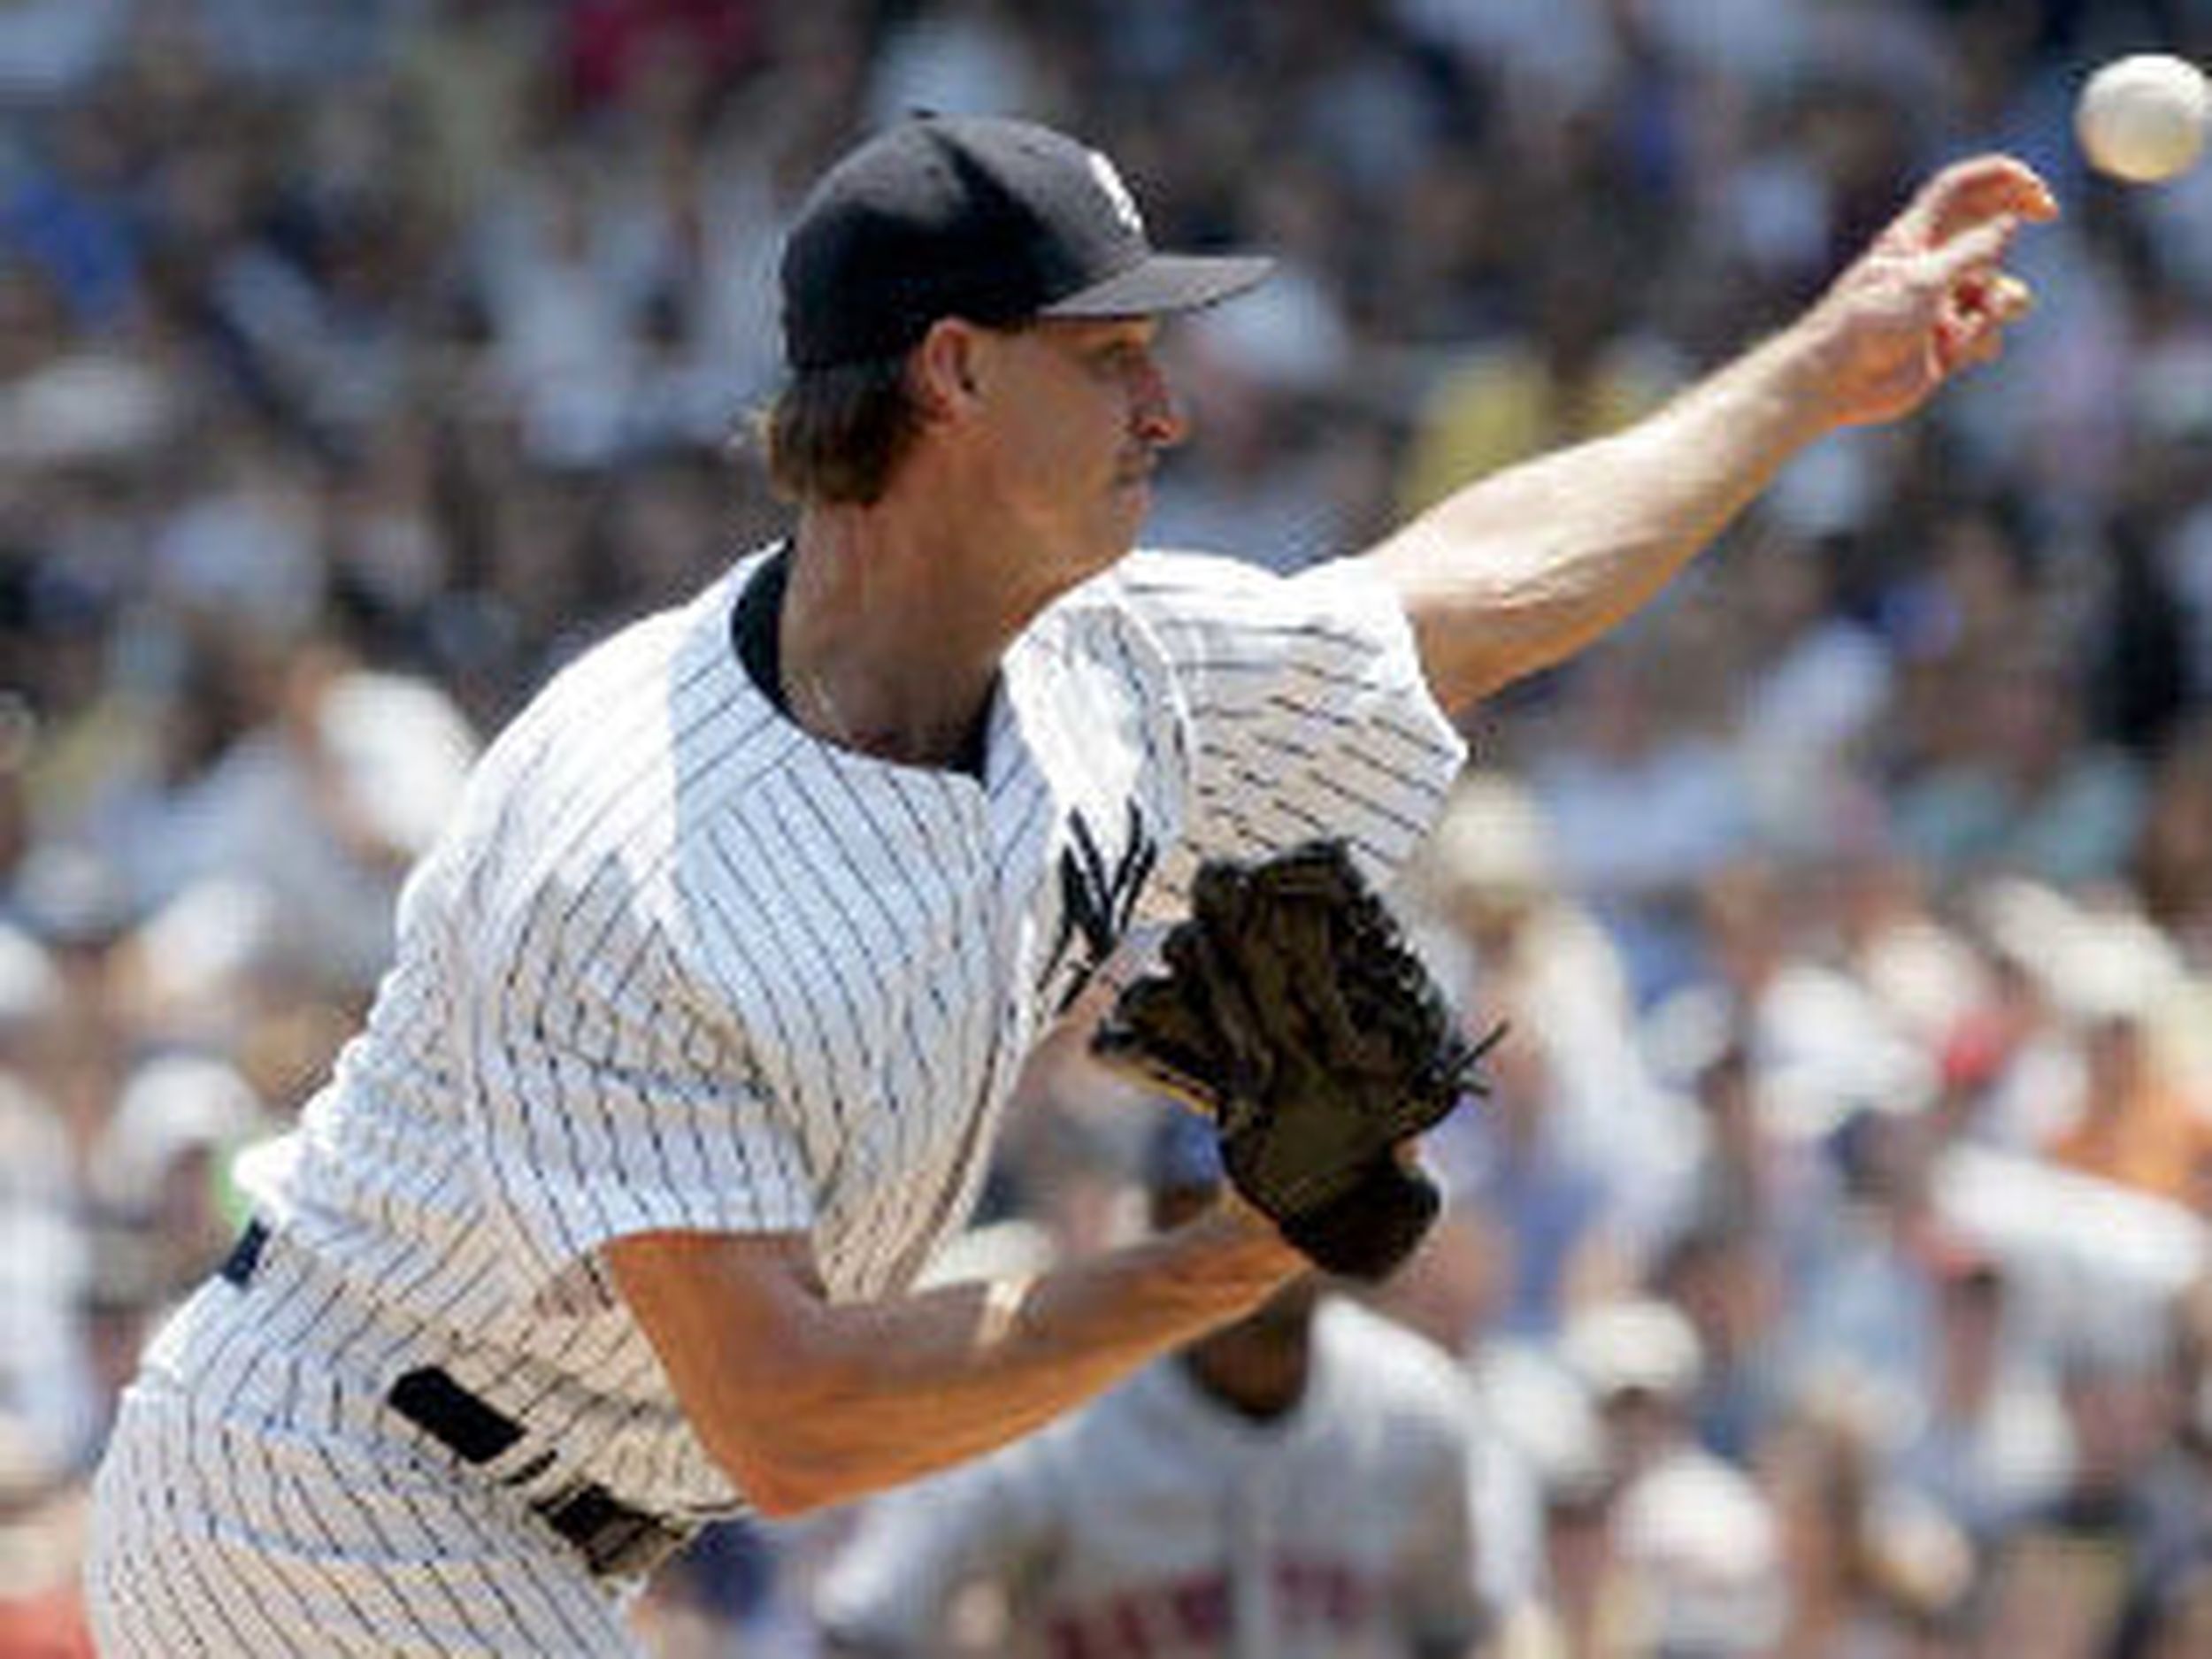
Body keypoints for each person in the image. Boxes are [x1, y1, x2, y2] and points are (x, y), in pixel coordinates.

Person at [84, 110, 2053, 1655]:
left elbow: (1464, 596)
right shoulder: (635, 851)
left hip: (534, 1519)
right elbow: (793, 1421)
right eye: (1109, 354)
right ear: (949, 373)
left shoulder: (1099, 669)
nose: (1165, 407)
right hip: (332, 1498)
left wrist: (1814, 370)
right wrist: (1225, 1262)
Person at [813, 1107, 1490, 1658]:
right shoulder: (1047, 1410)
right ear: (1160, 1223)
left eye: (1281, 1204)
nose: (1248, 1243)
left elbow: (1463, 1629)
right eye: (1211, 1210)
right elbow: (868, 1623)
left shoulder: (1415, 1409)